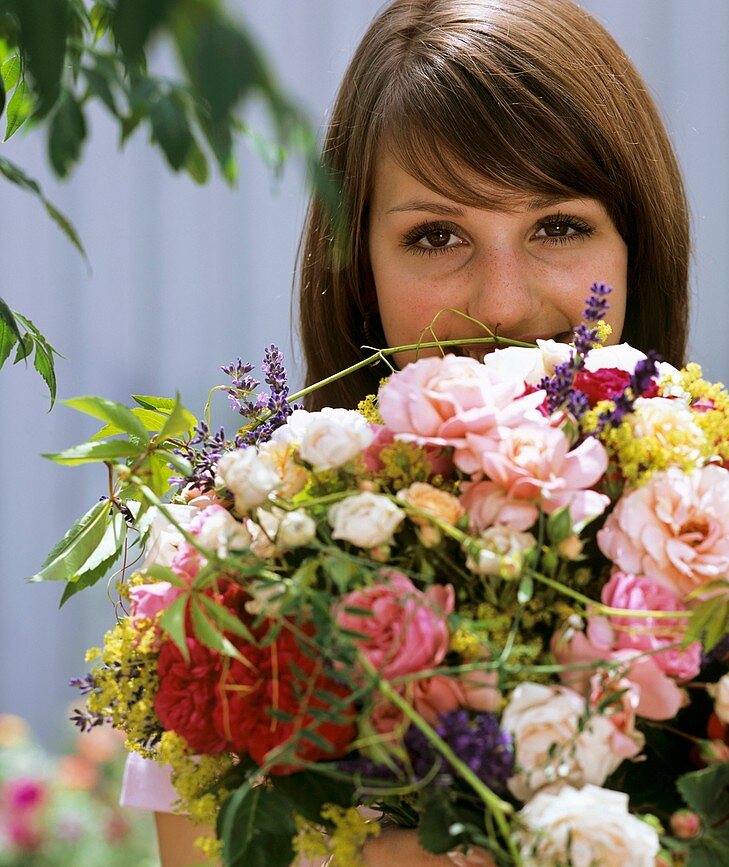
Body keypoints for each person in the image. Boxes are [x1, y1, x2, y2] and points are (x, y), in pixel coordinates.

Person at [133, 0, 691, 863]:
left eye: (558, 226)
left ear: (636, 250)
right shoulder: (232, 594)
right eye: (436, 235)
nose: (504, 303)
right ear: (358, 268)